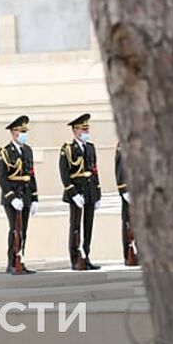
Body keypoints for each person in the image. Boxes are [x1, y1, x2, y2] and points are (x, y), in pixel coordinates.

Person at [59, 114, 101, 270]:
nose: (86, 132)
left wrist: (98, 194)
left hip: (90, 191)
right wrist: (73, 194)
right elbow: (64, 174)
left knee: (88, 226)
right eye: (83, 129)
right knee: (75, 226)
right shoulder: (68, 150)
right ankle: (76, 258)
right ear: (75, 130)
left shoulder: (90, 147)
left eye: (87, 129)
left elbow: (95, 171)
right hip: (77, 192)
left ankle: (86, 256)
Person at [0, 115, 39, 275]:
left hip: (26, 195)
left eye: (24, 131)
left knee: (24, 230)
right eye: (20, 132)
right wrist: (12, 197)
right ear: (13, 133)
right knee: (15, 229)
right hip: (12, 198)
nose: (23, 134)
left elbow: (31, 175)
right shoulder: (5, 153)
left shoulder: (27, 150)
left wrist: (35, 198)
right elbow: (2, 178)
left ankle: (20, 259)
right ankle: (12, 262)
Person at [115, 142, 137, 266]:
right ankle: (128, 254)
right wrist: (124, 190)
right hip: (129, 190)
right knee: (128, 223)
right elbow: (120, 169)